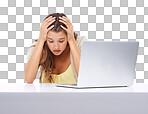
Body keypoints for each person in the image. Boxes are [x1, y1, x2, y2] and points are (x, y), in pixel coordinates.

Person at [24, 13, 88, 83]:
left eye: (61, 41)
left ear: (67, 37)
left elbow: (85, 78)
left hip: (75, 94)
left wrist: (71, 40)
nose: (56, 47)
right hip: (47, 94)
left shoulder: (80, 43)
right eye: (51, 41)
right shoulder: (39, 46)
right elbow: (28, 79)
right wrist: (41, 39)